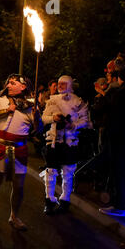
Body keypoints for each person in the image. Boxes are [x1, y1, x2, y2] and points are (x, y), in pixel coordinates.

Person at [0, 74, 42, 230]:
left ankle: (14, 216)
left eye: (13, 83)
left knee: (18, 186)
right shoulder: (1, 100)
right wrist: (7, 109)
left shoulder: (31, 106)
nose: (8, 85)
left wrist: (37, 118)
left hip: (20, 149)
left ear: (22, 87)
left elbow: (38, 130)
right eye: (8, 82)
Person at [40, 75, 91, 215]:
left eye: (63, 84)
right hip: (53, 141)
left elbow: (85, 121)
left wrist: (72, 125)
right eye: (58, 84)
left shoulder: (78, 102)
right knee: (50, 171)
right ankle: (49, 200)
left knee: (68, 172)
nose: (60, 86)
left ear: (69, 85)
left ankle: (65, 200)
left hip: (70, 142)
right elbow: (43, 118)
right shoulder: (52, 100)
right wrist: (53, 118)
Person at [98, 66, 125, 217]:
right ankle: (124, 204)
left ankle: (120, 206)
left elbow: (110, 113)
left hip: (120, 138)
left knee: (119, 171)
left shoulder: (120, 94)